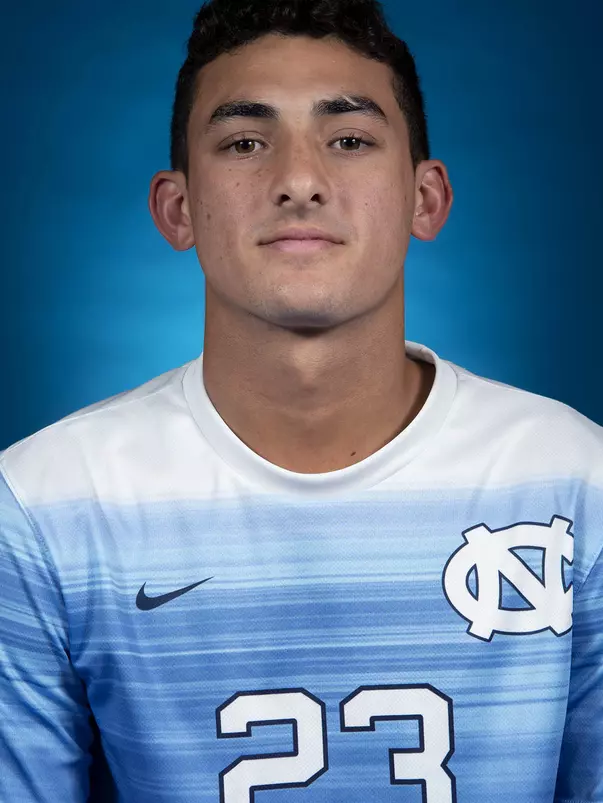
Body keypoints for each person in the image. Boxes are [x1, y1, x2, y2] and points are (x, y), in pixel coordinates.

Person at [1, 0, 601, 800]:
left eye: (348, 140)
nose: (298, 181)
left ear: (426, 197)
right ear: (177, 208)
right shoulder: (42, 507)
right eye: (245, 142)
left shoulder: (576, 480)